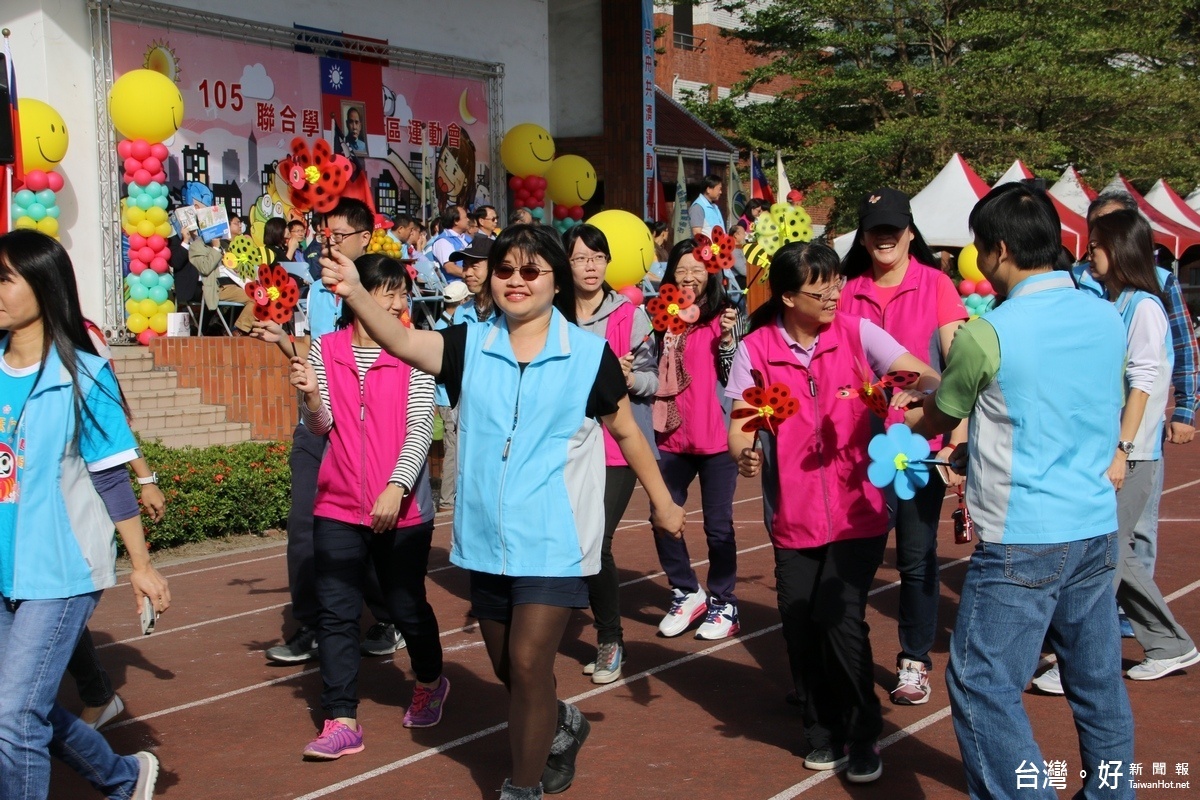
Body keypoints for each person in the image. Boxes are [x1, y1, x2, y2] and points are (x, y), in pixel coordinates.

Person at [320, 224, 685, 800]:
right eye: (506, 270)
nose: (516, 281)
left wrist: (662, 501)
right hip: (487, 539)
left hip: (556, 538)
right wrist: (355, 292)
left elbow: (628, 434)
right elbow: (399, 340)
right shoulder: (468, 346)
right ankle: (562, 722)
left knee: (529, 661)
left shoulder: (588, 357)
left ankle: (523, 786)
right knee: (506, 669)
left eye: (531, 271)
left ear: (554, 279)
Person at [906, 183, 1134, 799]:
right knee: (1099, 684)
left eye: (978, 248)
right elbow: (1064, 407)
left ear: (998, 249)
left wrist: (910, 416)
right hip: (1093, 523)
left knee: (982, 682)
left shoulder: (988, 332)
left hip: (1023, 537)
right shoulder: (1105, 314)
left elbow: (939, 414)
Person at [729, 241, 941, 784]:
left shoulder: (855, 332)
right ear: (785, 295)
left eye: (834, 283)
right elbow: (740, 426)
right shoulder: (756, 350)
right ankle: (821, 731)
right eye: (816, 287)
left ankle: (863, 732)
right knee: (800, 623)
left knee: (839, 616)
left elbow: (924, 376)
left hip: (859, 511)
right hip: (794, 517)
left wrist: (896, 393)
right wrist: (746, 454)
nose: (830, 294)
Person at [0, 229, 170, 800]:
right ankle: (123, 777)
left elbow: (108, 476)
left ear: (44, 288)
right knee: (20, 710)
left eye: (6, 278)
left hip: (60, 570)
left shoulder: (85, 376)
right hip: (4, 569)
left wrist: (141, 566)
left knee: (14, 715)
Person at [286, 253, 447, 759]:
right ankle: (341, 719)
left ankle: (430, 680)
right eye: (390, 293)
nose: (401, 303)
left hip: (400, 508)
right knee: (336, 614)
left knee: (405, 605)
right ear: (355, 294)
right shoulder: (325, 350)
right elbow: (321, 427)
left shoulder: (413, 351)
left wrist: (397, 487)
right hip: (337, 504)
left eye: (403, 292)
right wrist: (312, 398)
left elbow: (421, 426)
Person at [839, 187, 969, 705]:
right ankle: (845, 655)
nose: (885, 237)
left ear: (911, 232)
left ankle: (914, 659)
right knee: (853, 556)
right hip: (856, 447)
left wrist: (957, 438)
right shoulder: (846, 291)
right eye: (875, 229)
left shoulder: (936, 284)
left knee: (915, 558)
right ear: (864, 237)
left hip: (918, 447)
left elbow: (959, 368)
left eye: (894, 227)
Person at [260, 198, 404, 664]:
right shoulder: (321, 290)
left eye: (338, 235)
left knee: (372, 531)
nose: (329, 242)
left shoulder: (385, 286)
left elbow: (403, 352)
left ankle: (388, 616)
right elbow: (315, 360)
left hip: (368, 431)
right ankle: (313, 624)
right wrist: (284, 342)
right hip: (318, 426)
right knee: (304, 527)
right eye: (325, 234)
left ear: (364, 236)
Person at [1060, 211, 1197, 680]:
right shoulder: (1115, 303)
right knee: (1115, 553)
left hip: (1133, 453)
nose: (1087, 254)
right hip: (1116, 449)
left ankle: (1074, 659)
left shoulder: (1145, 307)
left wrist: (1121, 448)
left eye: (1095, 245)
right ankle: (1171, 644)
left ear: (1118, 251)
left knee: (1103, 556)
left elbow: (1143, 382)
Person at [563, 224, 659, 684]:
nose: (590, 266)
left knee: (596, 542)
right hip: (564, 443)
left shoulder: (629, 317)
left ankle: (610, 640)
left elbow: (653, 382)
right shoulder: (553, 314)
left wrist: (627, 379)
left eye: (597, 257)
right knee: (565, 540)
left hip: (615, 447)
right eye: (580, 258)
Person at [652, 238, 743, 640]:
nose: (688, 277)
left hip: (717, 441)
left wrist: (727, 340)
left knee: (718, 528)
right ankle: (686, 591)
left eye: (696, 270)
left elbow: (734, 376)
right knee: (662, 516)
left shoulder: (725, 316)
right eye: (681, 270)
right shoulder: (661, 317)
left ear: (712, 273)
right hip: (672, 436)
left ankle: (724, 602)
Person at [434, 281, 471, 512]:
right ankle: (448, 499)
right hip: (450, 396)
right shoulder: (457, 324)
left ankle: (452, 496)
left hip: (444, 396)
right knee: (452, 450)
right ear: (463, 301)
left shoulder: (438, 323)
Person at [450, 236, 494, 324]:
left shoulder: (508, 313)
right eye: (464, 266)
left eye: (474, 266)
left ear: (493, 267)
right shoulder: (460, 313)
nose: (467, 273)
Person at [428, 206, 472, 281]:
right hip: (458, 285)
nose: (468, 220)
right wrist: (473, 275)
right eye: (465, 217)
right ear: (456, 221)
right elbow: (450, 268)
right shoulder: (443, 241)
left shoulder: (466, 238)